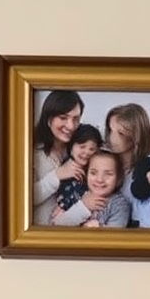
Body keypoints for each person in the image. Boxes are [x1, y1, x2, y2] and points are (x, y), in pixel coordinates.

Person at [32, 89, 84, 226]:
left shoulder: (80, 151)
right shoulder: (31, 152)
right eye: (63, 118)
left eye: (76, 119)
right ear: (49, 119)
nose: (71, 126)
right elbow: (23, 198)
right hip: (38, 237)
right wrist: (57, 175)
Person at [52, 148, 130, 229]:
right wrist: (84, 206)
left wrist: (98, 227)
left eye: (108, 174)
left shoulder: (119, 204)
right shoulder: (77, 195)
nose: (100, 179)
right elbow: (57, 226)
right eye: (93, 173)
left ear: (118, 178)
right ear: (86, 174)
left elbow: (116, 237)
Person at [103, 102, 150, 221]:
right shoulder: (104, 162)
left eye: (121, 133)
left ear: (137, 135)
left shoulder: (149, 168)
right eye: (110, 130)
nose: (112, 138)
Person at [53, 124, 102, 216]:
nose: (86, 152)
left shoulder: (94, 169)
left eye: (92, 149)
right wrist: (64, 205)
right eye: (82, 146)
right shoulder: (67, 169)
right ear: (71, 148)